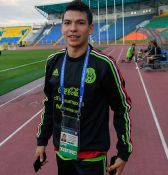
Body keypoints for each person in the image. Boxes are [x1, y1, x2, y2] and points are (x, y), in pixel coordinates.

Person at [35, 1, 132, 175]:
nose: (73, 28)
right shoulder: (53, 61)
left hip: (92, 156)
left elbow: (121, 108)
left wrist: (123, 153)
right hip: (62, 152)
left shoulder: (104, 64)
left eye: (80, 23)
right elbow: (49, 104)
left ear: (90, 28)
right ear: (62, 28)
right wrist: (42, 140)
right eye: (67, 23)